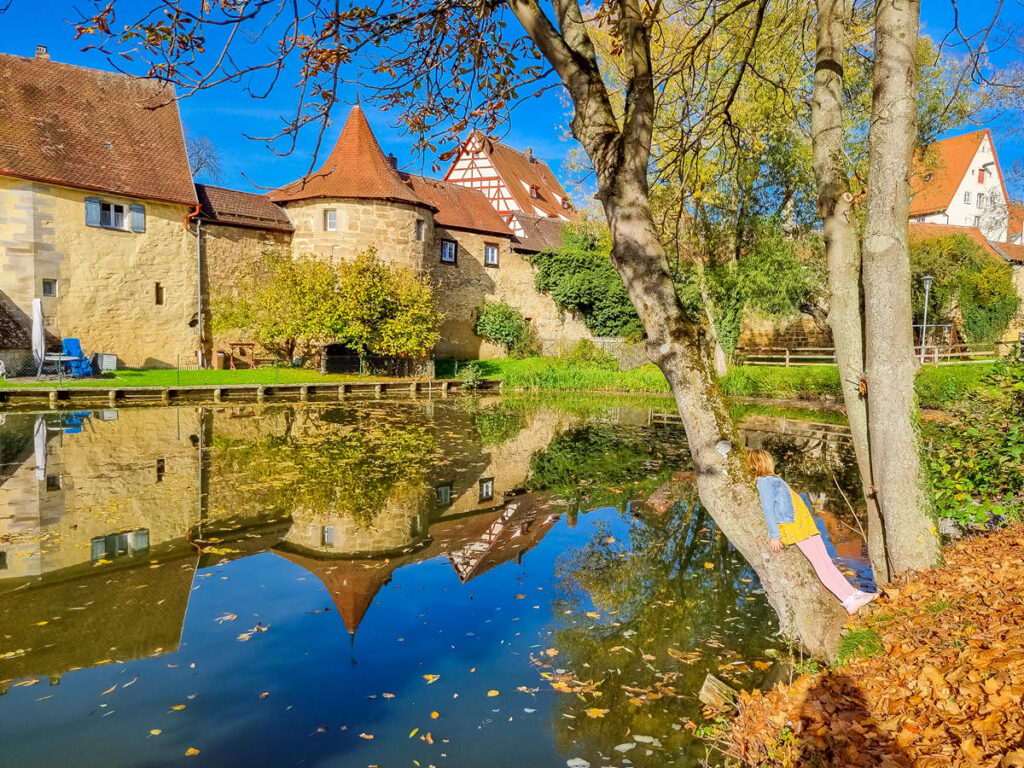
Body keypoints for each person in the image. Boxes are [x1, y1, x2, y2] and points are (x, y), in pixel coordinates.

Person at [750, 449, 877, 615]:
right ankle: (847, 600)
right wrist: (775, 536)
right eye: (769, 459)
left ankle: (853, 593)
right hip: (793, 527)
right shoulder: (764, 481)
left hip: (804, 525)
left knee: (826, 561)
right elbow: (768, 509)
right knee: (820, 563)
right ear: (763, 462)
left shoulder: (773, 479)